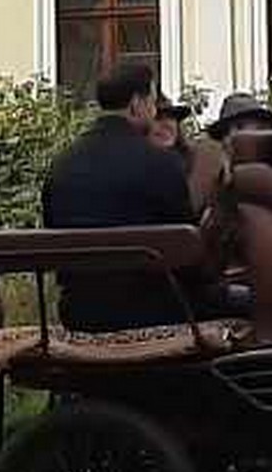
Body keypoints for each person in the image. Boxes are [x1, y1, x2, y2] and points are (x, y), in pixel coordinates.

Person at [36, 62, 203, 331]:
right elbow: (188, 253)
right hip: (157, 311)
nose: (154, 110)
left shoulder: (63, 164)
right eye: (151, 101)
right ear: (137, 104)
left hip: (80, 313)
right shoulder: (160, 163)